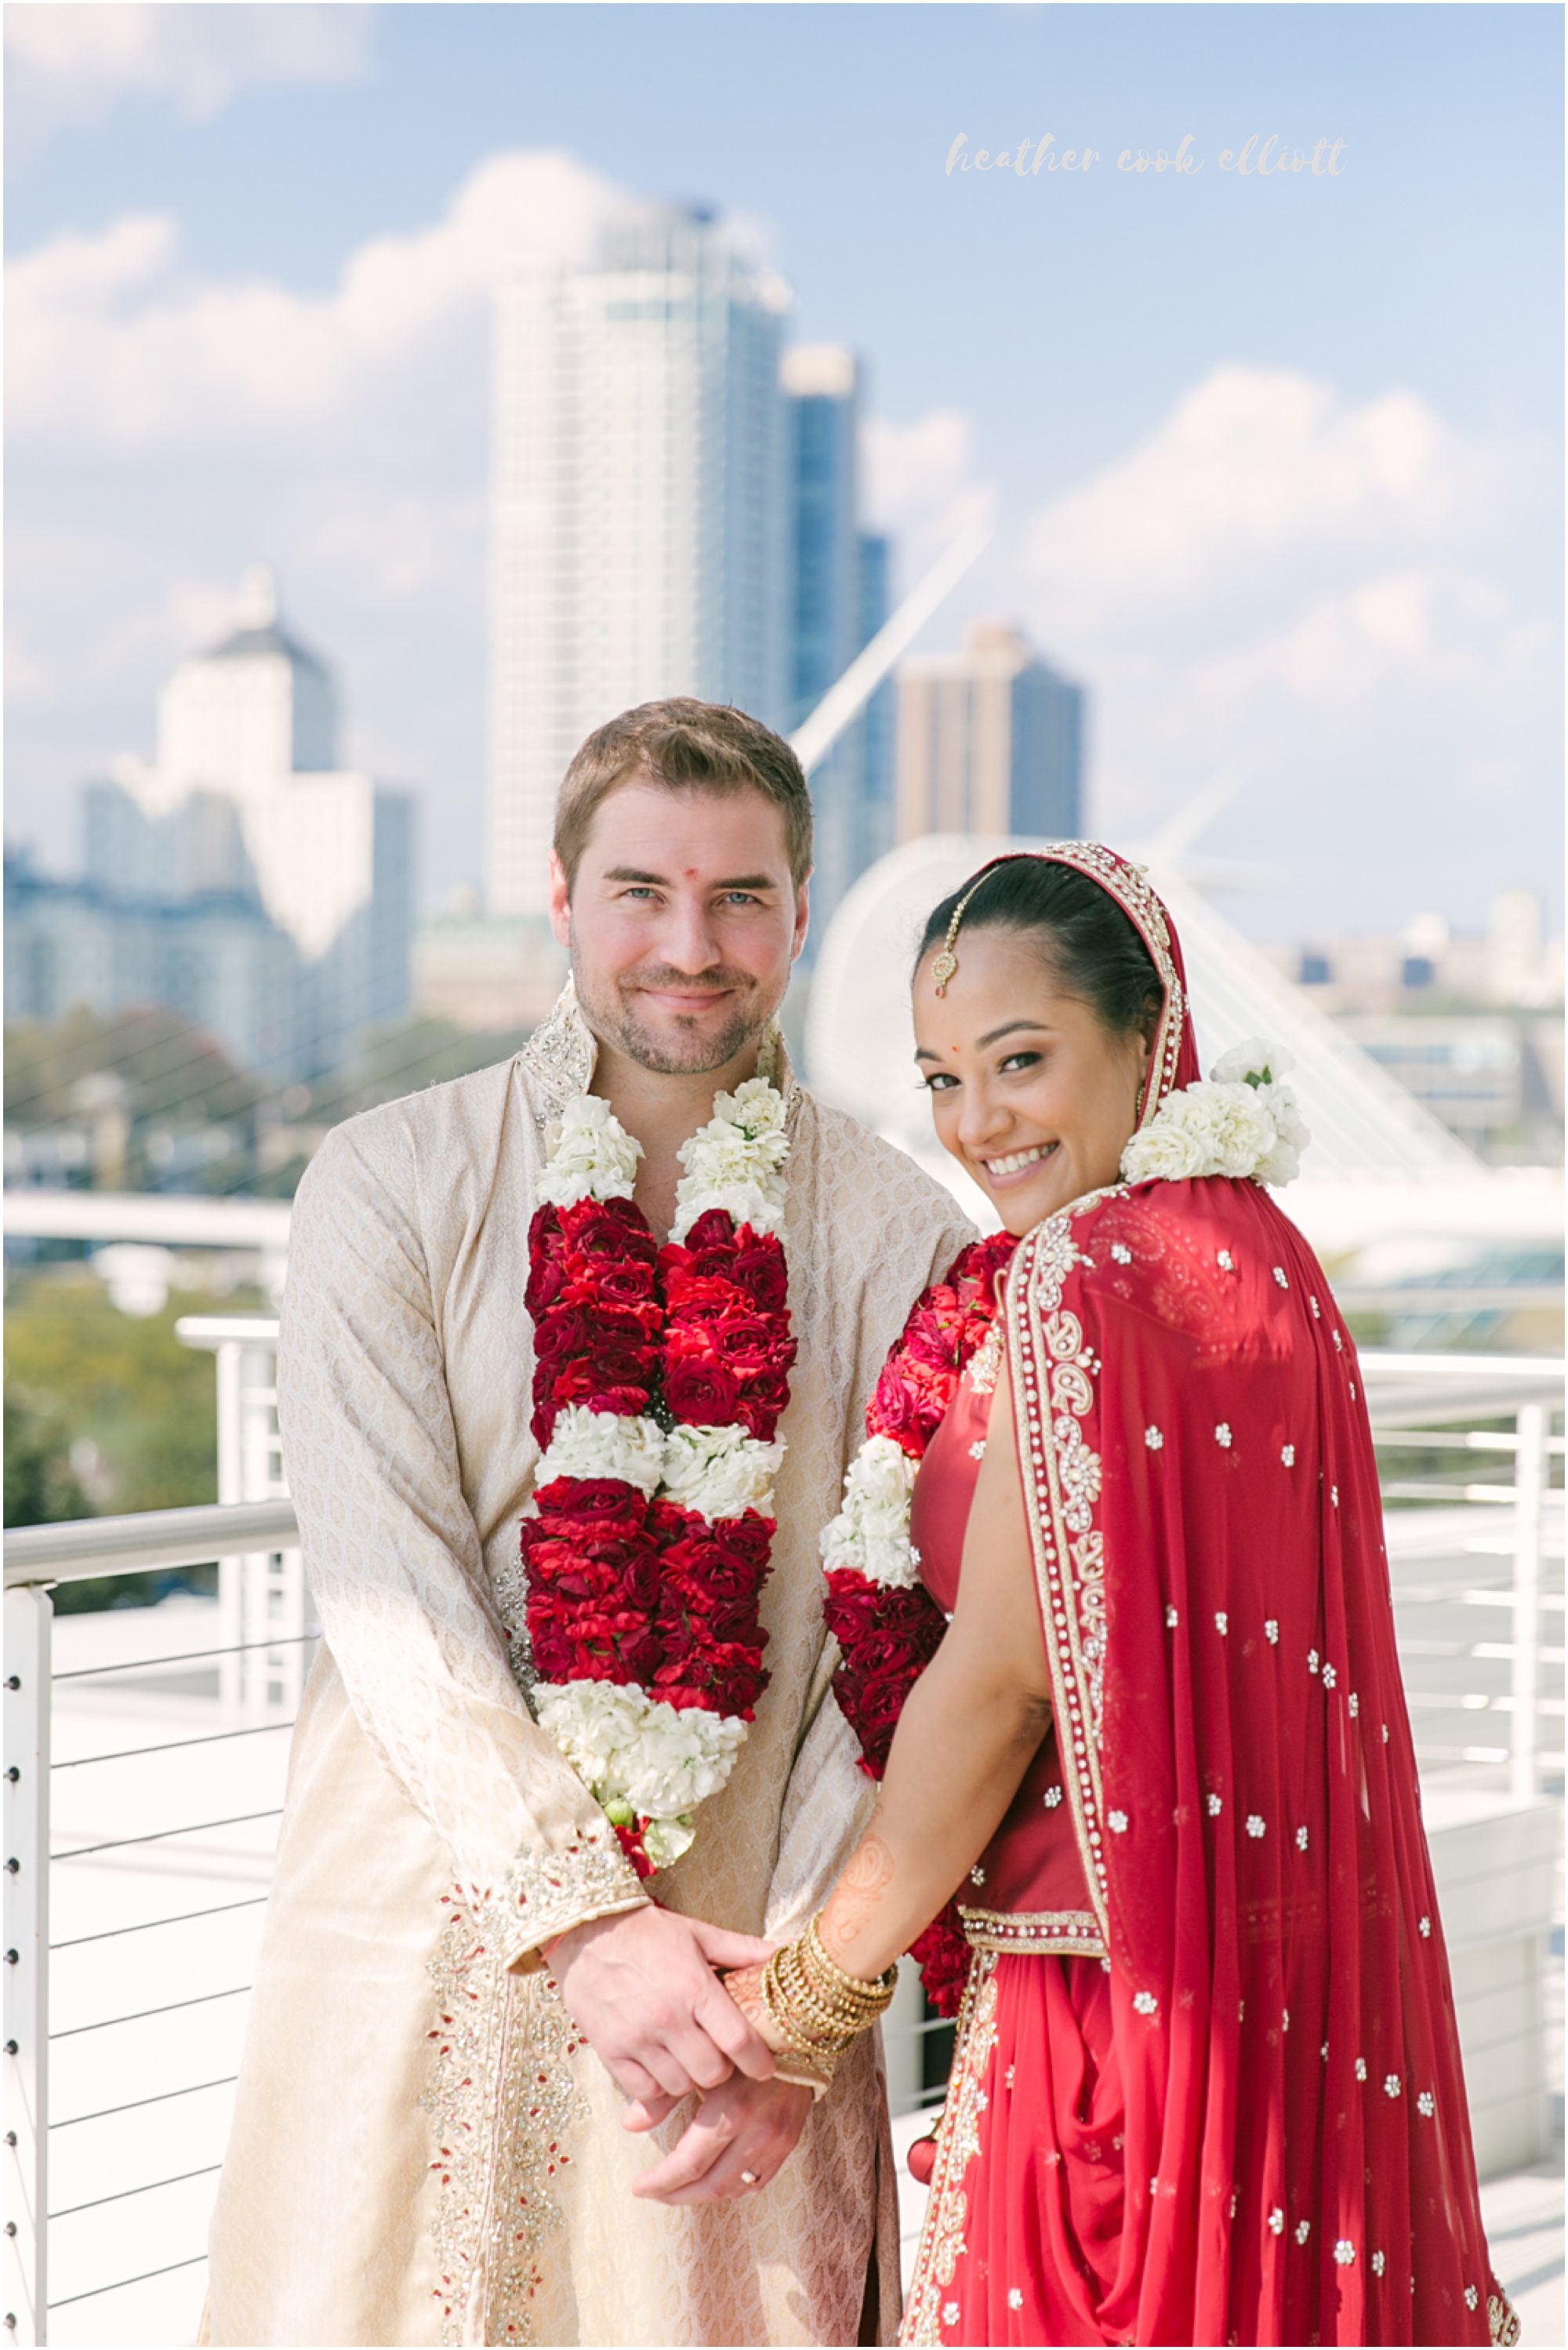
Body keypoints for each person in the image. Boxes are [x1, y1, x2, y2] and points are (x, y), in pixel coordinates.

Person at [201, 699, 975, 2348]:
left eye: (739, 897)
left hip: (736, 2016)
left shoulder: (900, 1227)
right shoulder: (388, 1177)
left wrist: (799, 1997)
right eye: (640, 891)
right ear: (561, 900)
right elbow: (388, 1583)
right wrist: (587, 1927)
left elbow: (887, 1646)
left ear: (803, 908)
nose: (689, 947)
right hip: (418, 1941)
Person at [717, 847, 1517, 2348]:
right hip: (1276, 2006)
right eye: (944, 1075)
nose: (978, 1121)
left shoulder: (1078, 1275)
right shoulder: (1265, 1261)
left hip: (1113, 2016)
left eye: (1023, 1060)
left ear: (1151, 1040)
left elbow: (1002, 1677)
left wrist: (809, 1996)